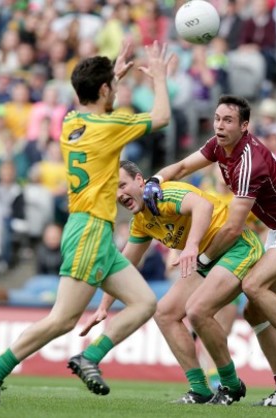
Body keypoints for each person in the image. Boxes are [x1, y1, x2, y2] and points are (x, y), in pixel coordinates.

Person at [0, 41, 172, 405]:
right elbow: (161, 118)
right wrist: (159, 78)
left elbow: (99, 101)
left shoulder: (70, 120)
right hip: (90, 229)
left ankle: (89, 357)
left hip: (95, 231)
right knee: (63, 319)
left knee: (145, 303)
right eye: (111, 87)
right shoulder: (108, 125)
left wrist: (113, 77)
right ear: (104, 90)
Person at [143, 95, 276, 404]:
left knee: (253, 285)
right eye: (217, 119)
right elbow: (185, 165)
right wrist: (155, 179)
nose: (219, 125)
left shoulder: (249, 162)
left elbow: (232, 228)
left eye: (228, 121)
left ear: (244, 126)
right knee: (253, 308)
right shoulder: (220, 146)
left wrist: (202, 259)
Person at [81, 160, 266, 405]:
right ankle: (200, 389)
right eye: (114, 190)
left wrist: (190, 245)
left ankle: (231, 384)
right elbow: (126, 266)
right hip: (204, 260)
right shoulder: (142, 222)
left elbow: (203, 204)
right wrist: (104, 306)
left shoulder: (163, 193)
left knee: (198, 311)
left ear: (140, 181)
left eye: (122, 185)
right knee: (165, 313)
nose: (119, 194)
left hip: (235, 247)